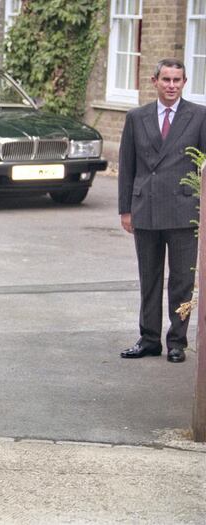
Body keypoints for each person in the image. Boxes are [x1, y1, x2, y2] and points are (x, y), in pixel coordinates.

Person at [118, 58, 206, 364]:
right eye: (166, 79)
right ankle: (149, 339)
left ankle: (177, 342)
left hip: (183, 210)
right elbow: (127, 167)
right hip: (146, 208)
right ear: (154, 81)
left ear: (184, 83)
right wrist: (125, 210)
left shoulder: (199, 116)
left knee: (182, 279)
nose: (171, 85)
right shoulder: (136, 117)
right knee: (150, 277)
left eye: (177, 80)